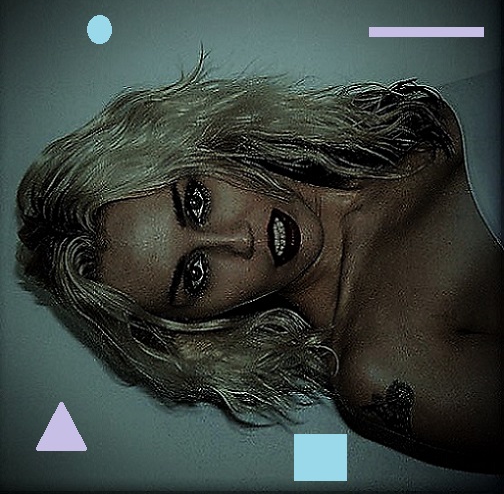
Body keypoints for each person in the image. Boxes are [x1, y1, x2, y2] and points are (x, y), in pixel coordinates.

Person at [16, 51, 502, 473]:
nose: (238, 241)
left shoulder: (381, 115)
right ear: (199, 324)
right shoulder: (380, 368)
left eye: (197, 204)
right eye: (196, 275)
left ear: (205, 152)